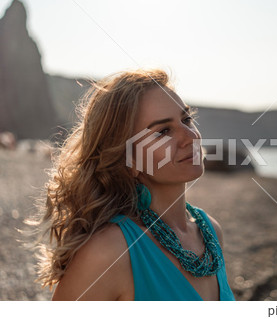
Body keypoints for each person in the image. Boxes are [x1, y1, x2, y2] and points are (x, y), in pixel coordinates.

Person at [34, 69, 235, 301]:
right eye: (163, 131)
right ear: (128, 159)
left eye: (186, 119)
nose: (190, 136)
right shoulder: (109, 252)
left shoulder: (210, 231)